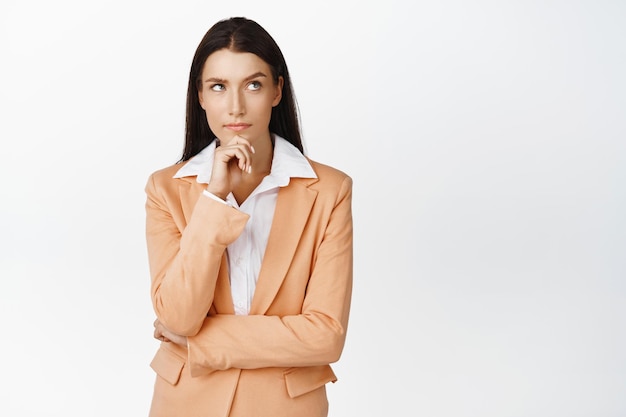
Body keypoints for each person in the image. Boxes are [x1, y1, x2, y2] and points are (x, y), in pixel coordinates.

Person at [144, 17, 353, 417]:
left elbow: (326, 336)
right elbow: (179, 315)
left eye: (253, 85)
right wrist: (214, 199)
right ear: (200, 96)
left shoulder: (330, 190)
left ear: (277, 90)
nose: (235, 107)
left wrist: (199, 343)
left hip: (285, 407)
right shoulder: (165, 190)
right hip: (186, 403)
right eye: (218, 87)